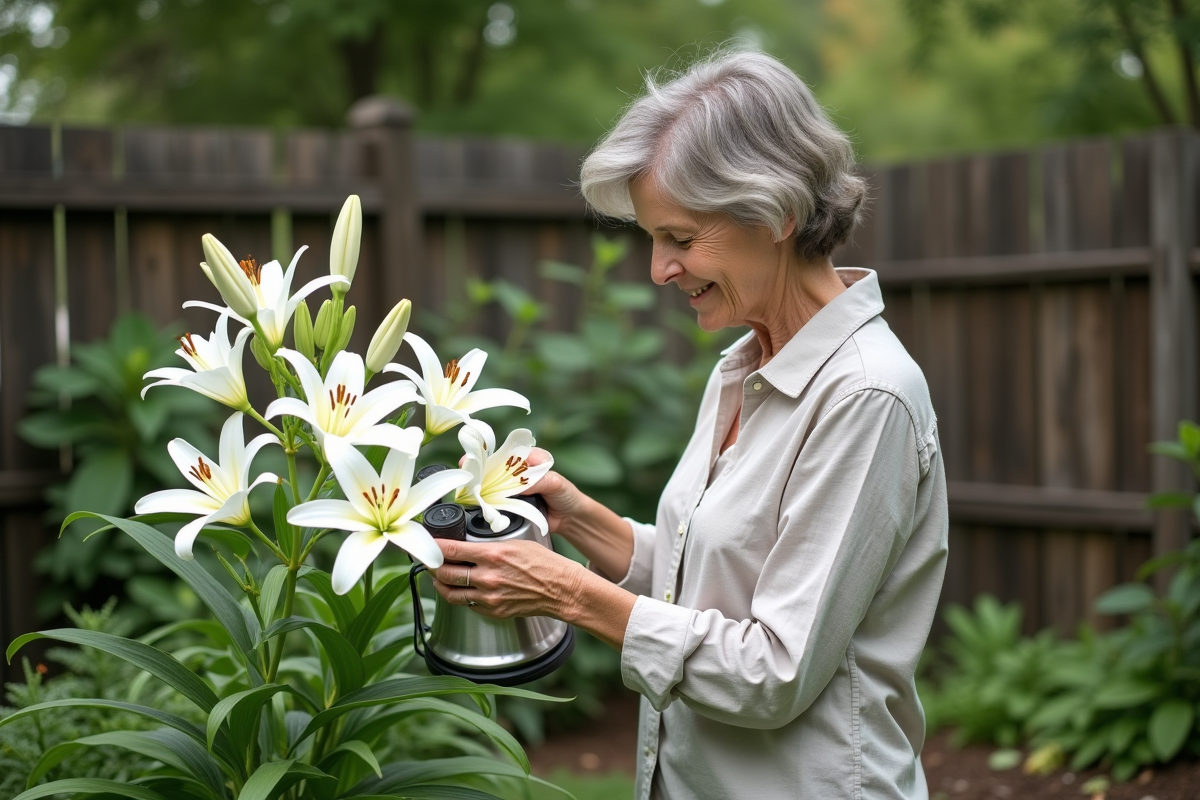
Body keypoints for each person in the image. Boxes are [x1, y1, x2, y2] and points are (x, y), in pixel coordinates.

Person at [429, 48, 948, 800]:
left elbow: (775, 672)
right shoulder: (744, 365)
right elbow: (704, 577)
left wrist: (567, 593)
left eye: (679, 238)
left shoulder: (866, 397)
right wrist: (576, 518)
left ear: (776, 214)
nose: (657, 269)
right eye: (651, 238)